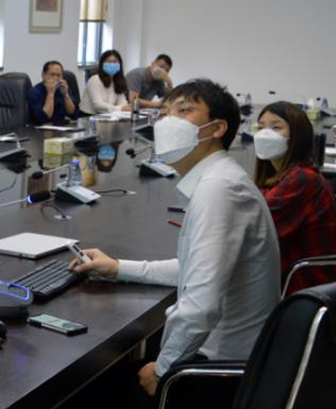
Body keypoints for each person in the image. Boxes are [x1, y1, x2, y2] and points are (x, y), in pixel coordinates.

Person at [70, 79, 279, 400]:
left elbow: (201, 306)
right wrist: (118, 268)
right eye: (166, 112)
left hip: (217, 374)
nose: (169, 121)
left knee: (84, 390)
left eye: (184, 111)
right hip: (233, 361)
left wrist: (163, 371)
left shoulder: (218, 191)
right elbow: (195, 271)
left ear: (217, 128)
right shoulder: (222, 179)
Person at [252, 102, 336, 294]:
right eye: (260, 127)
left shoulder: (302, 180)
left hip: (303, 286)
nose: (265, 134)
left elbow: (254, 230)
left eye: (276, 127)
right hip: (283, 274)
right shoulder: (280, 176)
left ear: (296, 136)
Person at [80, 50, 131, 115]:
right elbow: (98, 106)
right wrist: (120, 108)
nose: (112, 64)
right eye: (109, 61)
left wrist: (126, 107)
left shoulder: (117, 81)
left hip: (108, 116)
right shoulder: (95, 80)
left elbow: (122, 102)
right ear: (102, 64)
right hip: (88, 117)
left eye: (115, 62)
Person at [27, 61, 78, 125]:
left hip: (63, 126)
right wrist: (50, 93)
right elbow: (44, 118)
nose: (55, 78)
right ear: (43, 76)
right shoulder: (35, 92)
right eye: (52, 75)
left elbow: (73, 114)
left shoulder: (63, 88)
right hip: (43, 128)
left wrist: (65, 95)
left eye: (58, 75)